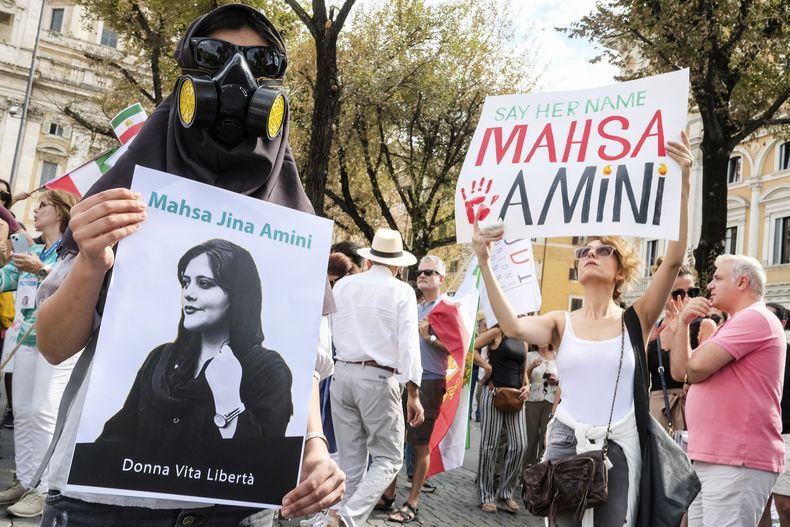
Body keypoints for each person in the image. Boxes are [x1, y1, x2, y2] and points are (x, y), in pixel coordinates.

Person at [33, 5, 344, 526]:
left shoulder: (292, 227)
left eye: (257, 62)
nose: (236, 77)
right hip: (104, 509)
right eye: (213, 56)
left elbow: (302, 367)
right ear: (185, 85)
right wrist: (90, 261)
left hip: (231, 514)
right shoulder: (121, 201)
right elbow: (53, 345)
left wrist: (314, 445)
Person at [473, 131, 693, 525]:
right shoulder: (561, 321)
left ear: (620, 270)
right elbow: (510, 324)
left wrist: (685, 183)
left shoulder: (635, 318)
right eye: (584, 251)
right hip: (565, 439)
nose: (590, 254)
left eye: (602, 250)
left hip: (619, 446)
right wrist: (484, 261)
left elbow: (674, 260)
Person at [98, 239, 292, 442]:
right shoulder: (160, 359)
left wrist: (229, 401)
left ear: (238, 295)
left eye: (205, 284)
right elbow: (119, 435)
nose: (188, 294)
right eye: (186, 282)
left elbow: (264, 463)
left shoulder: (267, 371)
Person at [672, 255, 786, 527]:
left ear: (742, 282)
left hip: (736, 458)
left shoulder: (755, 318)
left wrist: (691, 365)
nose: (709, 285)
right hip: (715, 456)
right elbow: (680, 373)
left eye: (717, 278)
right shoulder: (732, 323)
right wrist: (683, 324)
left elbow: (695, 369)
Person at [330, 228, 425, 527]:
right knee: (389, 458)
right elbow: (409, 344)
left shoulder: (344, 286)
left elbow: (332, 328)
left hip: (342, 371)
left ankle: (338, 516)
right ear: (397, 265)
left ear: (370, 261)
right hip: (377, 378)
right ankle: (345, 518)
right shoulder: (402, 291)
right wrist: (414, 393)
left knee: (351, 460)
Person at [0, 190, 78, 518]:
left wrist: (40, 269)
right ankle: (26, 477)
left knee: (43, 411)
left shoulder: (70, 251)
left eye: (43, 205)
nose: (36, 211)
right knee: (22, 412)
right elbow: (6, 280)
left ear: (60, 211)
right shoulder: (31, 249)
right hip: (23, 339)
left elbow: (74, 286)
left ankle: (44, 489)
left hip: (55, 338)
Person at [384, 255, 448, 523]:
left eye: (429, 272)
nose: (422, 275)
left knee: (420, 445)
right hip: (404, 379)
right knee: (395, 439)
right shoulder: (415, 306)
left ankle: (412, 501)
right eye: (420, 271)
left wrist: (429, 337)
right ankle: (388, 495)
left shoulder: (447, 308)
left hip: (430, 381)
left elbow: (458, 349)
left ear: (441, 279)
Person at [647, 262, 716, 434]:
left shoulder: (705, 325)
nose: (686, 299)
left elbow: (695, 373)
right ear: (662, 295)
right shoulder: (653, 329)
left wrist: (682, 326)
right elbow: (638, 377)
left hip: (692, 411)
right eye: (678, 293)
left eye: (692, 292)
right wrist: (644, 339)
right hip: (655, 415)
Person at [473, 322, 529, 514]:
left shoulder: (523, 338)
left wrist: (527, 385)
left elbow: (523, 368)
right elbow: (471, 349)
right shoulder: (497, 332)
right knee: (490, 445)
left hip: (515, 398)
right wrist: (486, 367)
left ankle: (506, 492)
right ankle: (486, 495)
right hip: (493, 393)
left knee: (520, 445)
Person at [760, 303, 790, 527]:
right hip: (758, 434)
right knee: (760, 505)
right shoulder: (748, 354)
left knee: (784, 504)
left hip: (786, 434)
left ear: (782, 323)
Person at [524, 343, 558, 467]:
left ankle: (540, 472)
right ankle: (526, 473)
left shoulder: (557, 357)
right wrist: (531, 367)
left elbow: (563, 381)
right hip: (533, 400)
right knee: (530, 438)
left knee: (545, 438)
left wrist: (556, 380)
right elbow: (524, 380)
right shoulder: (529, 356)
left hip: (551, 401)